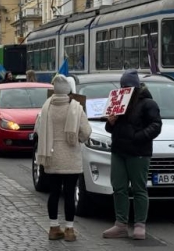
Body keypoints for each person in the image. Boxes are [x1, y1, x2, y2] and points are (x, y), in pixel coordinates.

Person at [102, 69, 162, 240]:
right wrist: (110, 122)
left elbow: (156, 125)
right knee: (119, 187)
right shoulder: (118, 101)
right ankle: (120, 224)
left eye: (127, 86)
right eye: (122, 86)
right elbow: (110, 128)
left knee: (138, 189)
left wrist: (138, 137)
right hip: (119, 150)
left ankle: (139, 224)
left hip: (139, 152)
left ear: (135, 87)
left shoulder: (148, 103)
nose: (124, 89)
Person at [35, 75, 92, 242]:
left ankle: (53, 227)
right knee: (69, 194)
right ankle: (69, 230)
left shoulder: (46, 108)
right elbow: (86, 132)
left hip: (51, 156)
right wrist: (78, 139)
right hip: (71, 158)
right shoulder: (76, 107)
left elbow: (38, 129)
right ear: (68, 90)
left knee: (53, 193)